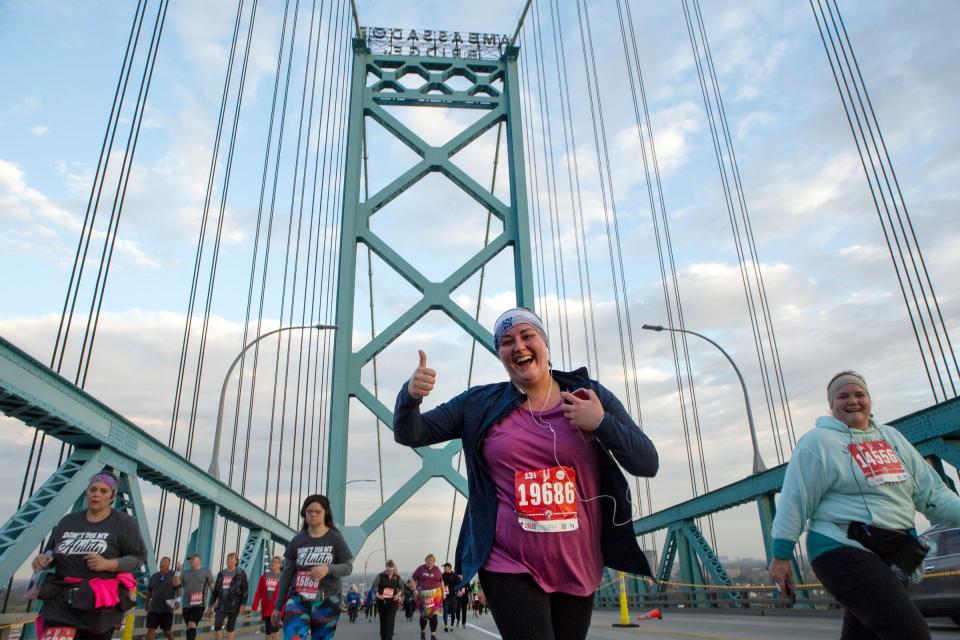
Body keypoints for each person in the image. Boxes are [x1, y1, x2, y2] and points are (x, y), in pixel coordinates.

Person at [394, 307, 659, 640]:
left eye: (527, 335)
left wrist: (601, 423)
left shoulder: (591, 396)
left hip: (577, 562)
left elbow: (647, 462)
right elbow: (411, 433)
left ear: (545, 345)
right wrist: (410, 397)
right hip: (508, 562)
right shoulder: (478, 404)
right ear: (500, 355)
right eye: (506, 341)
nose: (518, 346)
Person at [770, 370, 960, 640]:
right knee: (911, 634)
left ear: (870, 399)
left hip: (895, 553)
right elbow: (795, 499)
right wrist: (781, 554)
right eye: (842, 396)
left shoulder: (892, 438)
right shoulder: (818, 442)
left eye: (860, 394)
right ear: (831, 405)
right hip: (840, 549)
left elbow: (932, 493)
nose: (853, 401)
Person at [31, 471, 147, 640]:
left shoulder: (123, 523)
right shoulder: (68, 521)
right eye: (93, 489)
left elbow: (139, 557)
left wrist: (108, 565)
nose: (96, 494)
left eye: (103, 491)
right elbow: (51, 553)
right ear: (86, 492)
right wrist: (43, 560)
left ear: (113, 496)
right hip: (60, 605)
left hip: (98, 609)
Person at [270, 494, 353, 640]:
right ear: (304, 513)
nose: (313, 514)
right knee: (292, 637)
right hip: (298, 600)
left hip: (327, 600)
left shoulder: (335, 538)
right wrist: (277, 607)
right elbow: (286, 575)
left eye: (317, 511)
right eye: (309, 511)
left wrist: (328, 569)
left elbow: (347, 567)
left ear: (325, 513)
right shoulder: (297, 540)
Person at [208, 552, 248, 640]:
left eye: (231, 558)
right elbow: (215, 591)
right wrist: (210, 605)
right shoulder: (221, 574)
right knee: (217, 625)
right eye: (228, 558)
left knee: (230, 626)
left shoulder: (241, 574)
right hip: (221, 605)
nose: (229, 560)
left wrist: (243, 604)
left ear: (236, 561)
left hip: (235, 604)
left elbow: (245, 590)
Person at [145, 557, 181, 640]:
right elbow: (149, 592)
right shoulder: (154, 576)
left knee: (167, 631)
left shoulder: (173, 575)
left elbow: (178, 588)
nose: (162, 564)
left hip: (167, 609)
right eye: (161, 562)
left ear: (169, 564)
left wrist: (178, 600)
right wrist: (146, 604)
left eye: (165, 562)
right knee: (151, 629)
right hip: (154, 608)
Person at [180, 553, 215, 640]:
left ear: (199, 560)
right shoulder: (185, 573)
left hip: (199, 604)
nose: (190, 560)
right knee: (190, 626)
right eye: (189, 559)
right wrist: (177, 571)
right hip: (186, 605)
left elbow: (213, 588)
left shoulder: (206, 571)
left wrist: (214, 603)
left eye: (192, 558)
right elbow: (176, 586)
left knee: (192, 624)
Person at [410, 554, 443, 640]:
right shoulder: (421, 568)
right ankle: (423, 632)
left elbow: (441, 581)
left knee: (434, 614)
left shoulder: (437, 569)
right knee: (424, 615)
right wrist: (414, 589)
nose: (430, 562)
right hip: (423, 595)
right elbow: (413, 579)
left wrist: (444, 592)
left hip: (435, 595)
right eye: (428, 560)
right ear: (425, 561)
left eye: (431, 560)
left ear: (434, 562)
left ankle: (433, 635)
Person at [252, 556, 283, 640]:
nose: (273, 563)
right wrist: (255, 605)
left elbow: (286, 593)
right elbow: (259, 592)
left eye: (276, 562)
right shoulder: (264, 577)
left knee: (275, 630)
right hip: (266, 607)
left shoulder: (283, 577)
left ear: (280, 564)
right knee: (268, 630)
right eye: (272, 561)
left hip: (276, 608)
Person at [373, 560, 404, 640]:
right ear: (385, 569)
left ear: (393, 569)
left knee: (390, 620)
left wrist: (398, 594)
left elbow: (402, 587)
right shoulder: (380, 576)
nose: (389, 572)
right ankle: (383, 637)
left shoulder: (397, 577)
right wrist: (378, 595)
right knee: (383, 621)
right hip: (382, 602)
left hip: (393, 602)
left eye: (391, 571)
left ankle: (389, 638)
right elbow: (374, 586)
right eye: (387, 571)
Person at [440, 563, 460, 632]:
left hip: (453, 596)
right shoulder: (442, 576)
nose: (444, 568)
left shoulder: (455, 576)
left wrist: (458, 590)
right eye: (444, 567)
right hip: (445, 596)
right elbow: (440, 585)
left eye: (445, 567)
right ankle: (446, 625)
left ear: (449, 567)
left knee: (453, 611)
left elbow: (458, 584)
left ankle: (451, 625)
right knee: (445, 610)